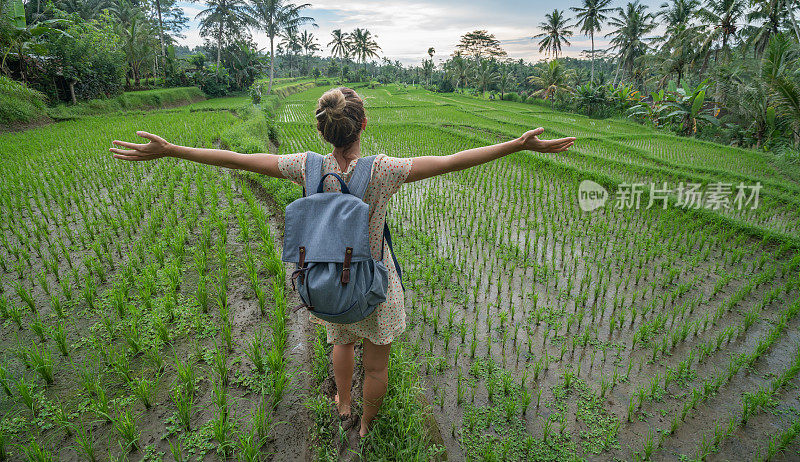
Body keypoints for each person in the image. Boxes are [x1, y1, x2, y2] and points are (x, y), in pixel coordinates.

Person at [109, 86, 575, 438]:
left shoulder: (305, 167)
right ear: (363, 125)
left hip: (328, 281)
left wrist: (172, 149)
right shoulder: (386, 170)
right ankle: (367, 425)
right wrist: (516, 144)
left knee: (341, 345)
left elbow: (238, 158)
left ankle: (343, 406)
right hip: (374, 286)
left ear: (322, 131)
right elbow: (454, 160)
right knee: (377, 365)